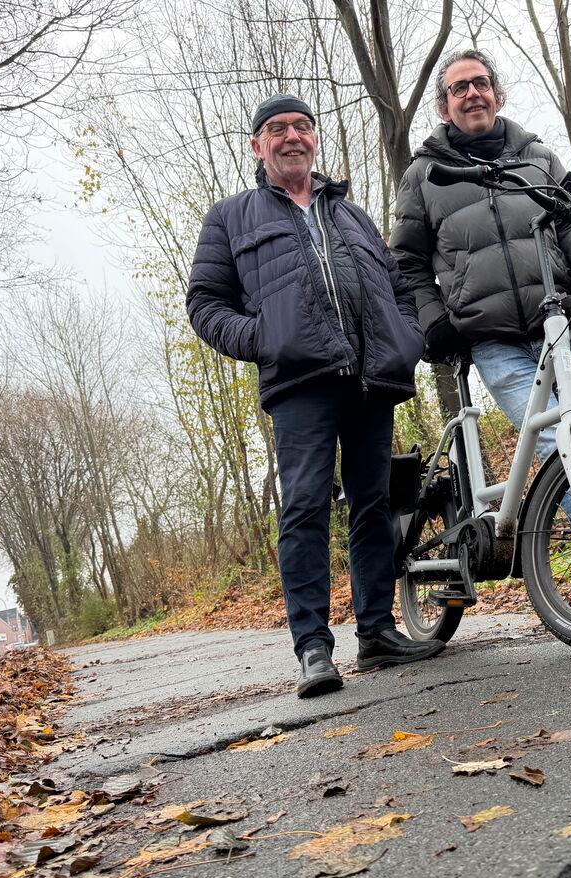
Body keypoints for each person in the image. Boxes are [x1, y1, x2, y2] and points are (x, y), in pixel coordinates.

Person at [187, 94, 445, 699]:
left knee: (373, 505)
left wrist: (406, 337)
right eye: (276, 130)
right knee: (303, 507)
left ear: (314, 139)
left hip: (370, 377)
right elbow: (205, 305)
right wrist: (266, 339)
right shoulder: (230, 218)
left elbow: (396, 283)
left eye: (301, 127)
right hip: (299, 384)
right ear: (257, 146)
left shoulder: (351, 214)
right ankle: (313, 649)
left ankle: (378, 633)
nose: (291, 137)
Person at [388, 51, 571, 617]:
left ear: (497, 95)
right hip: (492, 336)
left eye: (481, 83)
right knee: (562, 442)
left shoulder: (537, 155)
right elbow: (404, 263)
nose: (472, 93)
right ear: (444, 105)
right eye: (459, 88)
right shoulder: (424, 175)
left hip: (562, 321)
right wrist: (433, 321)